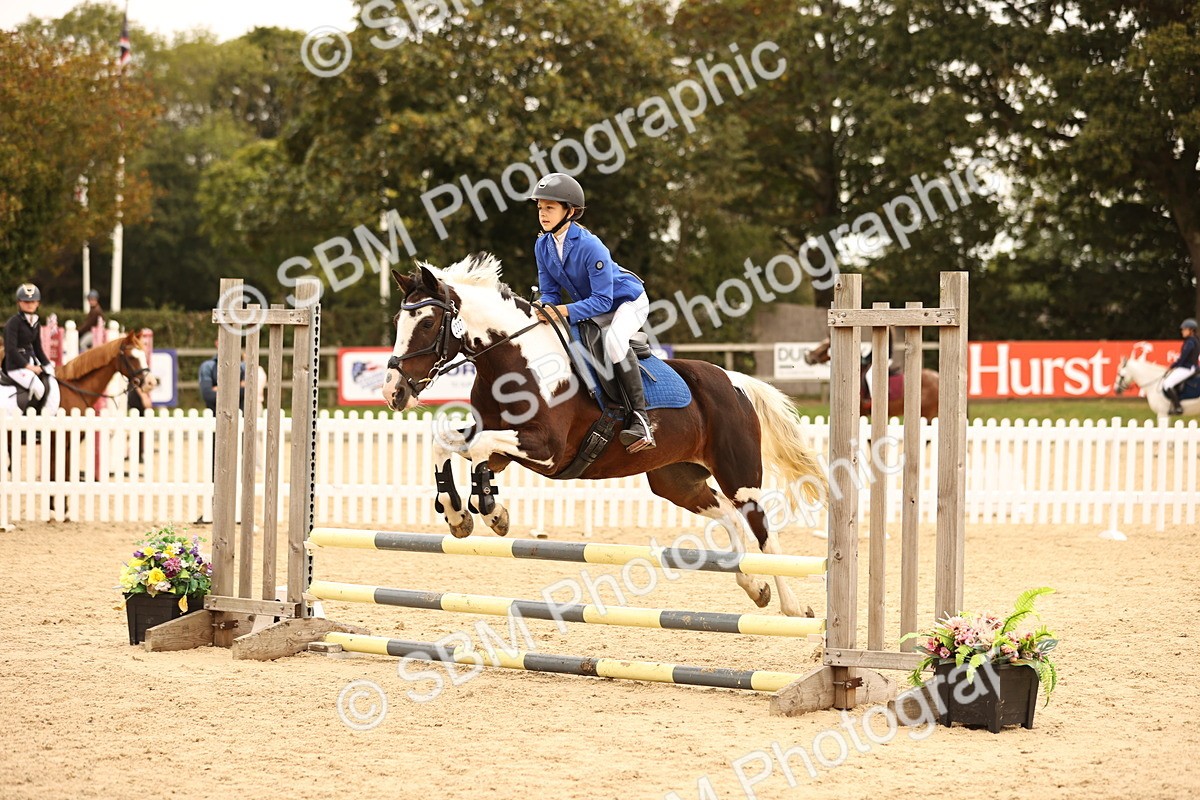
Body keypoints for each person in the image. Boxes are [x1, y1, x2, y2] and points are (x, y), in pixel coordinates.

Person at [529, 173, 654, 452]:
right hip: (593, 305)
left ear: (569, 211)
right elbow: (550, 293)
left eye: (550, 208)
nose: (543, 214)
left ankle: (640, 419)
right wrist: (543, 306)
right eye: (540, 207)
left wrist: (561, 310)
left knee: (614, 342)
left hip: (626, 302)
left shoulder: (590, 245)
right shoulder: (543, 245)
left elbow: (601, 300)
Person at [3, 283, 60, 416]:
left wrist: (48, 365)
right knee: (38, 388)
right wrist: (29, 366)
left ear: (38, 303)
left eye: (32, 301)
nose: (29, 304)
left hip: (31, 364)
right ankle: (26, 420)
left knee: (51, 382)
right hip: (15, 366)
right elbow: (11, 350)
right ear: (19, 302)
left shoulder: (35, 323)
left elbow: (38, 348)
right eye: (26, 301)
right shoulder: (13, 323)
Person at [1162, 318, 1198, 415]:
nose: (1182, 331)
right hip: (1189, 367)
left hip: (1187, 368)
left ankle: (1178, 407)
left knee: (1167, 384)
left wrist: (1172, 366)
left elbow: (1182, 359)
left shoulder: (1190, 342)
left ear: (1191, 330)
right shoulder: (1194, 340)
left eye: (1184, 329)